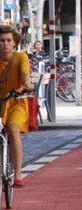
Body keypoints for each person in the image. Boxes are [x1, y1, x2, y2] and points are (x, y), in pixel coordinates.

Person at [0, 25, 34, 188]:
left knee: (13, 129)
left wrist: (27, 84)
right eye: (1, 40)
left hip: (16, 101)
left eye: (8, 40)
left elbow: (24, 73)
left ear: (14, 43)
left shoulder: (21, 57)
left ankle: (18, 174)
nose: (5, 44)